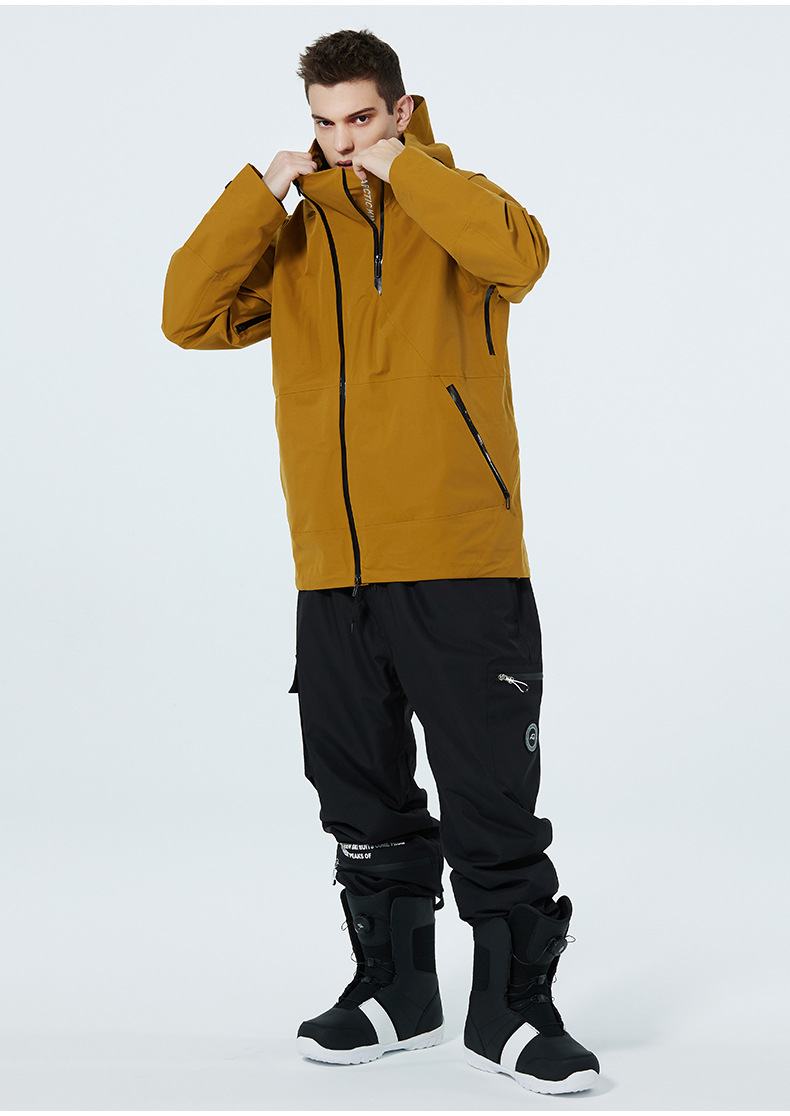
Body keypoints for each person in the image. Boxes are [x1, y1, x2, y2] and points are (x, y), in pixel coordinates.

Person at [162, 28, 599, 1096]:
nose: (342, 139)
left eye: (361, 118)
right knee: (357, 792)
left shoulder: (458, 210)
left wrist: (409, 169)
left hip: (459, 554)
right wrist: (264, 189)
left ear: (401, 110)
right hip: (332, 563)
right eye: (324, 122)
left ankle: (514, 1010)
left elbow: (523, 259)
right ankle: (398, 993)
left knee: (490, 795)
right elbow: (187, 315)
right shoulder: (295, 235)